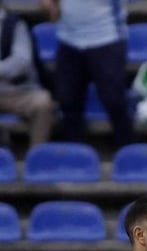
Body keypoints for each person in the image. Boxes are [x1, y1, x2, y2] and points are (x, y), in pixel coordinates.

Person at [38, 0, 133, 146]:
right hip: (68, 41)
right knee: (67, 102)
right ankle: (75, 152)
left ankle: (126, 149)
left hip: (106, 39)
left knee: (114, 101)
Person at [0, 1, 54, 146]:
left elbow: (21, 61)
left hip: (16, 92)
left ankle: (37, 153)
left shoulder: (14, 24)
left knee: (43, 102)